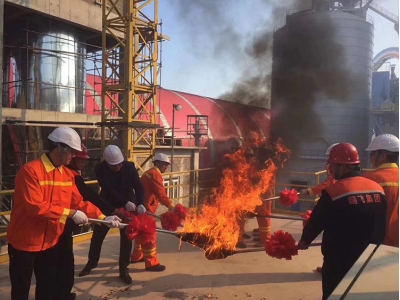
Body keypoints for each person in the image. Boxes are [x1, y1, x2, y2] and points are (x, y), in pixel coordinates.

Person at [7, 127, 122, 300]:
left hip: (50, 243)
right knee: (20, 290)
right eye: (72, 152)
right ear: (60, 148)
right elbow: (35, 206)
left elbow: (79, 202)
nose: (73, 157)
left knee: (47, 288)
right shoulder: (30, 171)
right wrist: (69, 214)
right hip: (24, 243)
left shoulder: (67, 175)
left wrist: (103, 218)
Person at [297, 143, 387, 300]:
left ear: (344, 166)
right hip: (369, 257)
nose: (330, 169)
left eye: (333, 165)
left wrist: (305, 240)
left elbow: (317, 220)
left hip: (339, 259)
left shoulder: (335, 191)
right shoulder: (377, 188)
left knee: (334, 294)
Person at [56, 145, 126, 300]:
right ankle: (87, 267)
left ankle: (63, 293)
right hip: (59, 223)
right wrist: (110, 212)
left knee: (65, 260)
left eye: (83, 160)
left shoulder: (70, 174)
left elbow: (81, 201)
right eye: (79, 159)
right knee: (61, 262)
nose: (83, 163)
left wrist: (103, 217)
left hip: (71, 219)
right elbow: (89, 196)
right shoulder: (73, 175)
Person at [79, 145, 146, 284]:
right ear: (107, 163)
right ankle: (91, 263)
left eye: (120, 164)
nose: (118, 167)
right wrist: (124, 202)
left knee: (127, 239)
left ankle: (123, 269)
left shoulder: (130, 167)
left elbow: (138, 187)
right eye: (114, 165)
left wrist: (140, 203)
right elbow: (108, 189)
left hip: (129, 206)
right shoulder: (99, 169)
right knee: (97, 237)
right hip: (108, 205)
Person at [130, 153, 173, 271]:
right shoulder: (155, 174)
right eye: (164, 164)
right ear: (157, 163)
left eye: (167, 164)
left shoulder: (151, 173)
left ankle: (137, 256)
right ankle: (151, 263)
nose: (166, 167)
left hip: (142, 207)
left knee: (141, 233)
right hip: (146, 209)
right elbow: (161, 193)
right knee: (150, 235)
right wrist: (171, 206)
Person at [299, 143, 338, 273]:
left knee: (332, 242)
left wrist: (308, 191)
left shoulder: (336, 175)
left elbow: (327, 185)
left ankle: (329, 267)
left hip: (333, 209)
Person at [363, 134, 399, 247]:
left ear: (383, 156)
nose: (371, 157)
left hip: (376, 243)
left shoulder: (368, 179)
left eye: (372, 154)